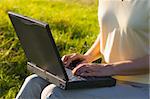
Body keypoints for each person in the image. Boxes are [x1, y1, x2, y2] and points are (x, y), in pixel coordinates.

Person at [16, 0, 149, 99]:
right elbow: (111, 30)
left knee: (54, 94)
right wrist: (89, 56)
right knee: (34, 82)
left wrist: (109, 68)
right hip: (107, 79)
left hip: (142, 86)